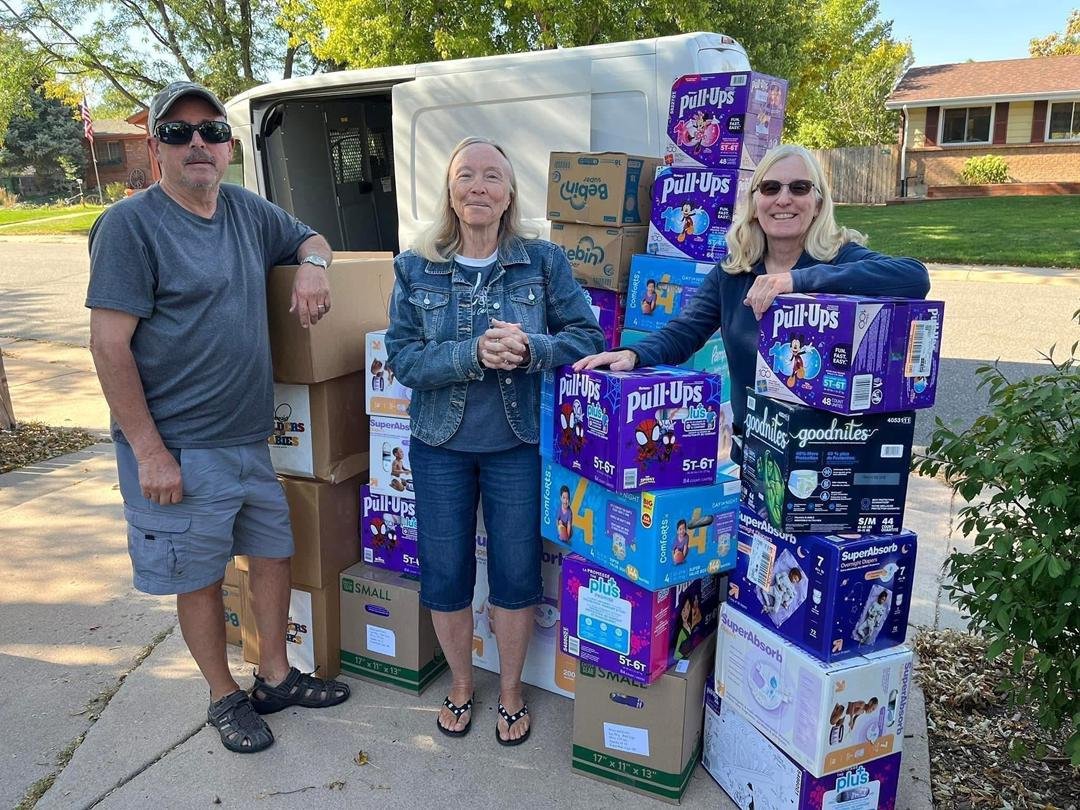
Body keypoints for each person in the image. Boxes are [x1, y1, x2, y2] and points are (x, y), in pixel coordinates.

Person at [86, 81, 350, 755]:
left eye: (210, 131)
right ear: (155, 149)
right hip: (177, 446)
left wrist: (314, 267)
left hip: (247, 440)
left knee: (272, 554)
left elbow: (309, 235)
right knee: (198, 578)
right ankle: (222, 695)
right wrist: (148, 451)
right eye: (178, 133)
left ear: (229, 147)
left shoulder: (245, 211)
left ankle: (275, 675)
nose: (197, 144)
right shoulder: (129, 226)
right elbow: (109, 344)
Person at [385, 136, 603, 745]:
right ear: (450, 191)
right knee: (446, 574)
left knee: (514, 575)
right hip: (439, 445)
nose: (478, 187)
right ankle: (461, 684)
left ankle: (509, 692)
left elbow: (587, 335)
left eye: (492, 177)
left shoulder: (542, 260)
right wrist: (472, 355)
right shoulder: (415, 264)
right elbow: (403, 358)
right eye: (466, 176)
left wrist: (534, 350)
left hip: (517, 445)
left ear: (509, 193)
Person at [574, 144, 930, 455]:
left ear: (818, 201)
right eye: (771, 187)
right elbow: (685, 331)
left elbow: (914, 277)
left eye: (800, 187)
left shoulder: (840, 258)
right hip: (757, 450)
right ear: (755, 201)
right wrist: (634, 353)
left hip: (829, 456)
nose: (784, 199)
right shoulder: (735, 272)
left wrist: (797, 280)